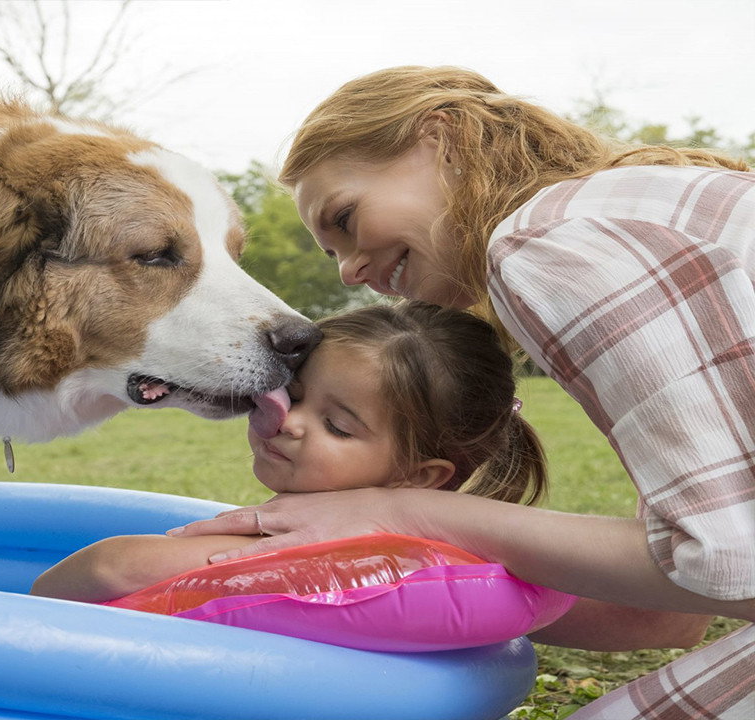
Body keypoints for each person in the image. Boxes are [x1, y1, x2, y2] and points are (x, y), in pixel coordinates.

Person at [170, 66, 754, 718]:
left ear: (439, 137)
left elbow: (727, 569)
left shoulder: (546, 244)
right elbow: (671, 615)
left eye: (345, 217)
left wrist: (407, 514)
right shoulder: (617, 208)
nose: (350, 270)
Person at [31, 301, 546, 602]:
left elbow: (111, 569)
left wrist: (24, 608)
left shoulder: (366, 552)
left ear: (421, 477)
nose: (291, 422)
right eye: (293, 395)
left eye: (338, 427)